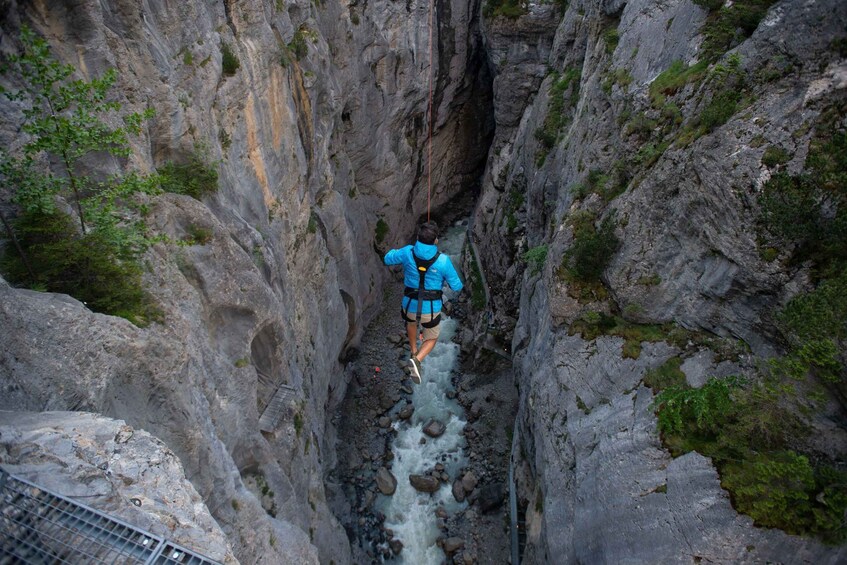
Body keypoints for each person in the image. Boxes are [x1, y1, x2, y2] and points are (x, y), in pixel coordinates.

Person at [383, 221, 463, 384]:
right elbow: (456, 286)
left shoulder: (407, 252)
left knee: (411, 323)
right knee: (431, 338)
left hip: (409, 303)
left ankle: (413, 351)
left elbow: (387, 258)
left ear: (418, 238)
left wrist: (397, 252)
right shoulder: (443, 261)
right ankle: (417, 359)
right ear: (436, 241)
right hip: (431, 307)